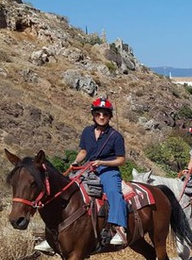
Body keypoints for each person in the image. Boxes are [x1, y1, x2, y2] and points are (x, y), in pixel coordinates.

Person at [35, 97, 127, 252]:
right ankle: (52, 234)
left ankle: (120, 228)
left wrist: (102, 163)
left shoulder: (115, 136)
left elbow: (121, 160)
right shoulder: (87, 132)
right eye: (98, 114)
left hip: (108, 170)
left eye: (105, 114)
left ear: (110, 116)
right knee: (65, 190)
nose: (102, 117)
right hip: (88, 168)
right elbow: (84, 151)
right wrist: (76, 162)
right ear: (93, 115)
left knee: (113, 192)